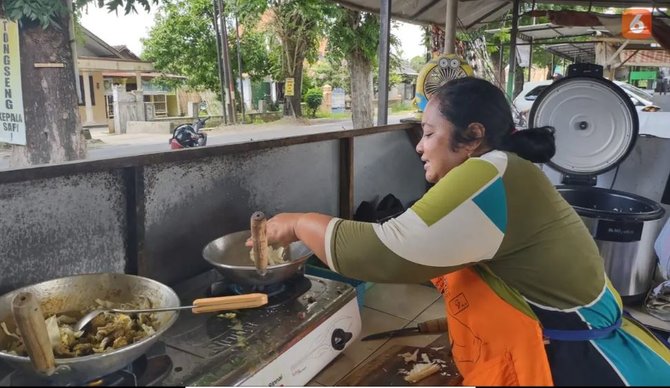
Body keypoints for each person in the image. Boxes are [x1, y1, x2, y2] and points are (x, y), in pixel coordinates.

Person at [248, 77, 670, 386]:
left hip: (580, 363)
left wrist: (299, 222)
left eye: (429, 133)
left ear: (472, 138)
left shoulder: (490, 172)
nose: (419, 146)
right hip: (564, 344)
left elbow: (386, 253)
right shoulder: (507, 170)